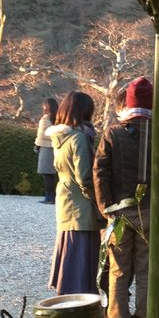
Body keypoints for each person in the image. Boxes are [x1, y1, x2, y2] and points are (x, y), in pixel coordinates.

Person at [94, 77, 153, 318]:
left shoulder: (114, 133)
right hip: (152, 213)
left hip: (119, 212)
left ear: (128, 103)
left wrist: (105, 207)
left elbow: (100, 171)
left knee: (118, 270)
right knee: (146, 270)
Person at [48, 90, 103, 296]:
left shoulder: (60, 137)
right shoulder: (79, 138)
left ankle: (66, 294)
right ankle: (80, 300)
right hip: (81, 207)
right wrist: (99, 202)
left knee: (70, 253)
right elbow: (85, 178)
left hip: (65, 201)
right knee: (82, 257)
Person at [35, 97, 59, 204]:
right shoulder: (58, 118)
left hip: (45, 147)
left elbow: (42, 134)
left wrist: (36, 144)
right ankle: (52, 196)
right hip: (54, 147)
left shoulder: (46, 118)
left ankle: (49, 197)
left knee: (46, 174)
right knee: (51, 174)